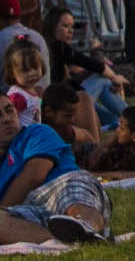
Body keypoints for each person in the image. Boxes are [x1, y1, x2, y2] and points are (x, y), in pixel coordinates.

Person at [0, 83, 110, 246]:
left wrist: (2, 209)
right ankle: (69, 243)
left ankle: (87, 228)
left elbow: (34, 175)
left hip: (60, 184)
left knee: (72, 199)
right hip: (29, 207)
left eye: (9, 110)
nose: (7, 119)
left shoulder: (36, 132)